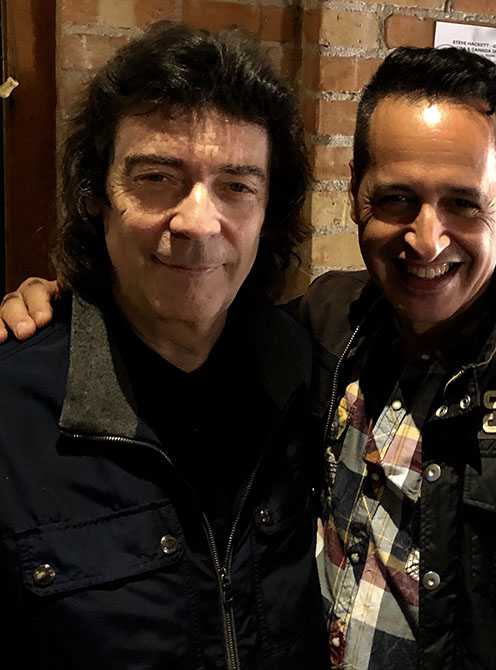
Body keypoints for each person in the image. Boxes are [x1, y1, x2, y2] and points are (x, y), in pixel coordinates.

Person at [1, 46, 496, 670]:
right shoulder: (319, 333)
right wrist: (65, 303)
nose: (427, 240)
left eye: (462, 203)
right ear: (356, 192)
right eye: (396, 199)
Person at [0, 22, 326, 670]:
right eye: (155, 177)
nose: (198, 222)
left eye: (237, 186)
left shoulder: (310, 377)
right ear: (97, 197)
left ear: (268, 213)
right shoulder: (13, 415)